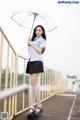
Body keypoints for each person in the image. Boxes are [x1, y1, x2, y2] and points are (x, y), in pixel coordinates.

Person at [26, 25, 46, 117]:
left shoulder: (42, 40)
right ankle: (34, 106)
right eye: (36, 30)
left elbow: (39, 51)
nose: (37, 31)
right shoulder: (33, 40)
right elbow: (30, 52)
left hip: (37, 62)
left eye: (39, 30)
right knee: (32, 84)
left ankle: (36, 106)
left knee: (33, 83)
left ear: (42, 32)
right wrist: (28, 43)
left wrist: (31, 43)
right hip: (31, 62)